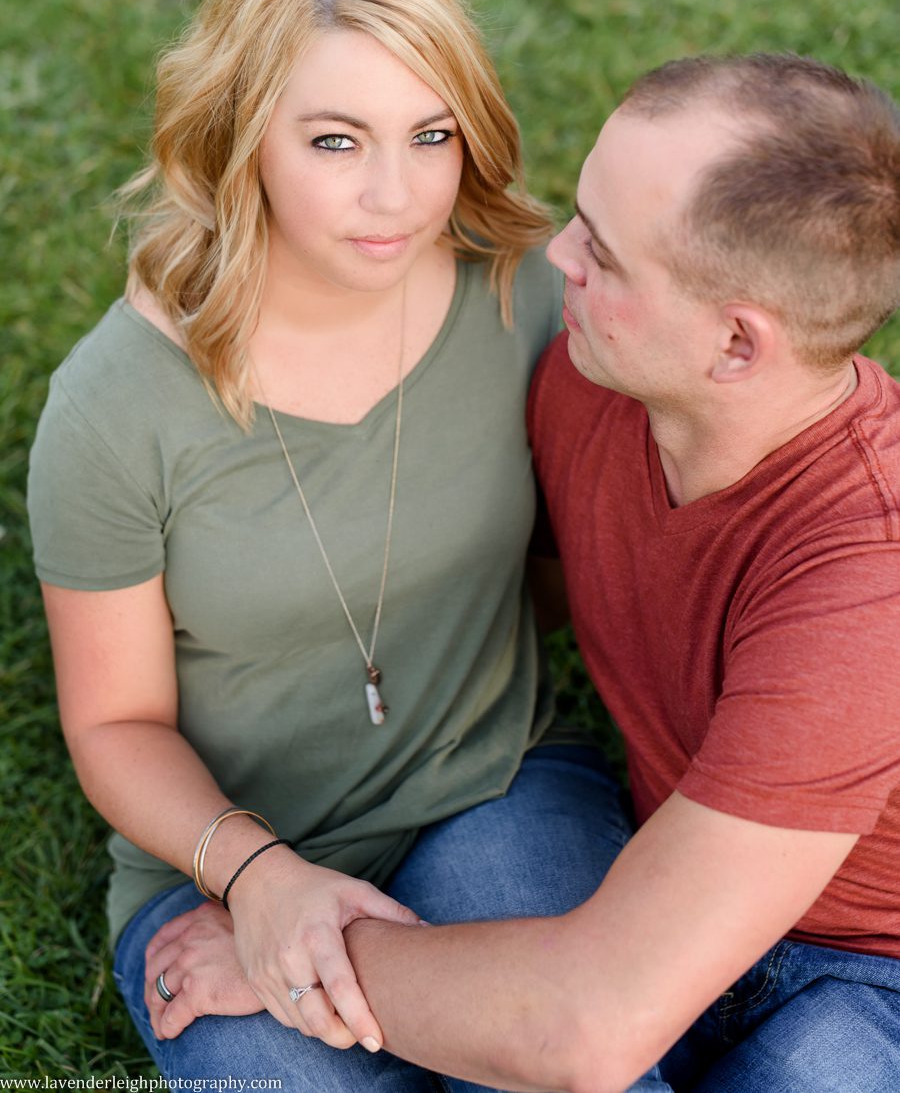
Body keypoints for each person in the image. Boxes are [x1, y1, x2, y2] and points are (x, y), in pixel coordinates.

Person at [149, 54, 900, 1092]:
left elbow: (583, 1028)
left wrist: (286, 952)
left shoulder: (868, 584)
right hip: (659, 890)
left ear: (736, 344)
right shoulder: (595, 378)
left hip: (867, 971)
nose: (561, 257)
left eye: (606, 251)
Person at [27, 0, 641, 1092]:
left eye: (431, 134)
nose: (395, 194)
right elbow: (114, 724)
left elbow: (614, 550)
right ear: (238, 138)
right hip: (221, 862)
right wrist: (259, 880)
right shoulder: (115, 406)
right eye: (334, 141)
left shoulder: (528, 300)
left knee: (579, 1075)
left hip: (495, 784)